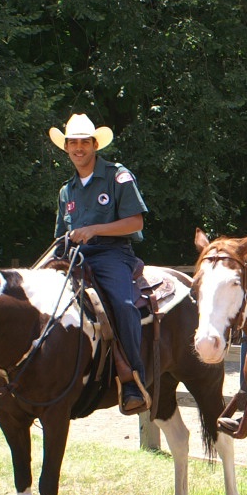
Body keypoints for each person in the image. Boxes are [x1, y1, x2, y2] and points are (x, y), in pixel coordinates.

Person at [50, 113, 151, 415]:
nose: (78, 148)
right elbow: (59, 237)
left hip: (112, 254)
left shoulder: (118, 175)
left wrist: (94, 229)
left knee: (122, 305)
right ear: (66, 148)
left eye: (84, 142)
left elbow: (135, 222)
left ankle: (133, 379)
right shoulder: (66, 191)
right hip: (74, 257)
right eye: (73, 143)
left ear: (95, 145)